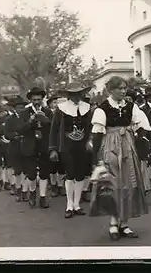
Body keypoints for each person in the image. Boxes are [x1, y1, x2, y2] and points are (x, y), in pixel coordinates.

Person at [90, 76, 151, 240]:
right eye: (120, 88)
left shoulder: (131, 107)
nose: (124, 91)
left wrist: (139, 137)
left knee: (129, 183)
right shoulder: (102, 109)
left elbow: (142, 125)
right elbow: (97, 134)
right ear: (111, 90)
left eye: (125, 88)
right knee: (114, 184)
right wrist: (97, 157)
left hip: (128, 146)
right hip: (110, 146)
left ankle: (124, 224)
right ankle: (112, 223)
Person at [48, 84, 93, 217]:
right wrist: (53, 149)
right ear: (68, 95)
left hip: (82, 145)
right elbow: (54, 129)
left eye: (78, 93)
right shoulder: (61, 109)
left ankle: (77, 205)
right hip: (66, 145)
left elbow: (90, 127)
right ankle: (69, 205)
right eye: (73, 94)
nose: (76, 96)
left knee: (80, 174)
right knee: (70, 174)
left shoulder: (87, 108)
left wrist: (90, 141)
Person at [19, 87, 53, 208]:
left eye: (39, 99)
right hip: (30, 146)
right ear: (30, 100)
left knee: (44, 172)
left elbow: (53, 128)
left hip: (43, 145)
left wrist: (46, 120)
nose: (37, 102)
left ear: (42, 99)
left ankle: (43, 197)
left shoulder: (48, 111)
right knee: (32, 173)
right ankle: (32, 192)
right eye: (34, 99)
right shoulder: (24, 112)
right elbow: (21, 130)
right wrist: (31, 120)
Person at [4, 96, 28, 198]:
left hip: (27, 146)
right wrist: (15, 136)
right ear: (15, 108)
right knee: (17, 170)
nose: (21, 109)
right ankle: (18, 188)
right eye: (19, 107)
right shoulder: (9, 119)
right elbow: (6, 133)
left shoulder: (28, 118)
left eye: (22, 107)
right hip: (15, 147)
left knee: (27, 169)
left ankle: (25, 190)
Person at [46, 94, 67, 197]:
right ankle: (53, 185)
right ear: (50, 104)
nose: (57, 104)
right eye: (54, 102)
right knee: (52, 165)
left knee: (62, 165)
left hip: (62, 142)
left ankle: (60, 185)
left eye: (58, 102)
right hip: (51, 141)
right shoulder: (47, 113)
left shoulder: (64, 113)